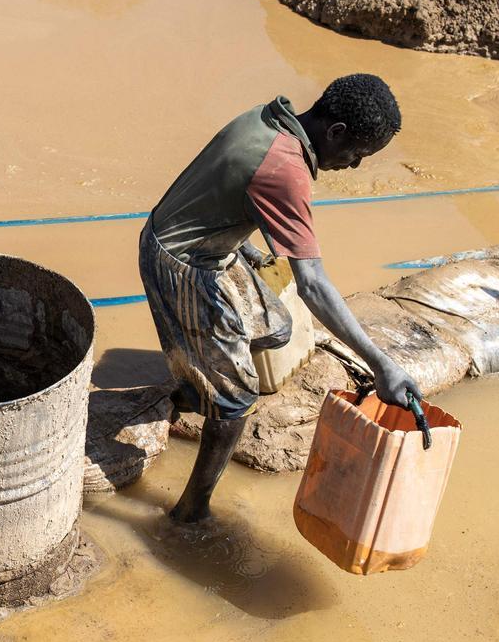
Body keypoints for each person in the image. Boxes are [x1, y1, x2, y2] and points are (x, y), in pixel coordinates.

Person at [140, 73, 423, 523]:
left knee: (277, 328)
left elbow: (222, 185)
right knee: (236, 406)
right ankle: (191, 512)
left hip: (213, 245)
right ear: (335, 133)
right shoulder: (285, 170)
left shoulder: (271, 117)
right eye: (356, 155)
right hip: (183, 262)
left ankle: (201, 379)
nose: (353, 167)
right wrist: (380, 362)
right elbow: (311, 283)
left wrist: (245, 245)